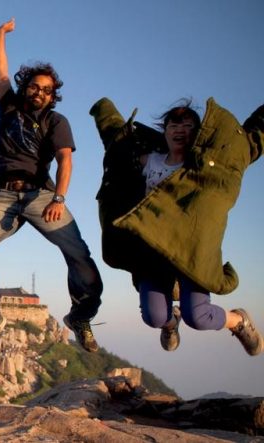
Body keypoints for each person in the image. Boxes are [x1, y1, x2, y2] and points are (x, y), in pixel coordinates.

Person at [0, 18, 103, 354]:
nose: (39, 93)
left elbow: (65, 160)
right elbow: (0, 71)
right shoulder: (9, 106)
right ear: (25, 86)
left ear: (53, 95)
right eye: (34, 86)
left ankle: (81, 317)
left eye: (47, 90)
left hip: (41, 194)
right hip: (3, 195)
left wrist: (59, 198)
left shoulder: (56, 121)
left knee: (78, 255)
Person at [91, 96, 264, 356]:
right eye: (174, 125)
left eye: (187, 126)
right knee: (154, 317)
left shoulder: (208, 164)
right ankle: (171, 323)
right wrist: (104, 110)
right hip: (152, 251)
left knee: (198, 317)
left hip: (191, 251)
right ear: (165, 131)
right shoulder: (148, 160)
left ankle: (239, 321)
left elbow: (247, 142)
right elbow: (118, 143)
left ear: (198, 133)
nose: (180, 130)